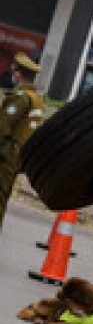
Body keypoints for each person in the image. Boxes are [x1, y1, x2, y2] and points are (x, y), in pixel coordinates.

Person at [0, 52, 45, 232]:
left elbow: (2, 127)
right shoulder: (37, 100)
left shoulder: (20, 97)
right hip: (18, 157)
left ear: (18, 74)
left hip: (5, 156)